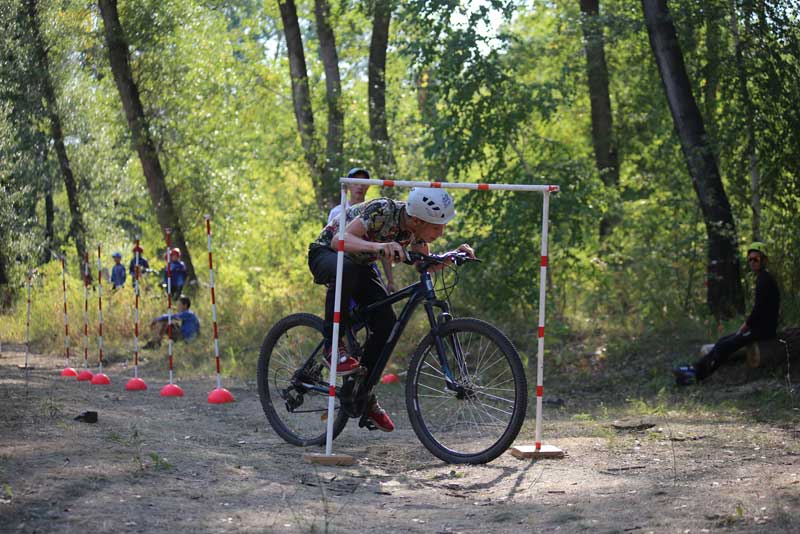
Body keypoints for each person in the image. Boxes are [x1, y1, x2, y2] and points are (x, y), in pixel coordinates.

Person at [308, 187, 475, 432]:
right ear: (417, 220)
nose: (442, 232)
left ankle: (362, 394)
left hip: (359, 267)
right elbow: (338, 240)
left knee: (386, 321)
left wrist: (451, 256)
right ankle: (332, 346)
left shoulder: (417, 234)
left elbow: (423, 265)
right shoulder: (382, 210)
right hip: (327, 253)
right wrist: (380, 247)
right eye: (437, 226)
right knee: (348, 270)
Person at [673, 242, 780, 385]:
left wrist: (746, 326)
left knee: (725, 346)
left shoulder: (765, 280)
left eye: (756, 259)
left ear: (764, 260)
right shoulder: (762, 278)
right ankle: (694, 369)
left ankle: (696, 375)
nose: (752, 262)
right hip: (759, 327)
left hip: (763, 330)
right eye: (750, 259)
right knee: (722, 342)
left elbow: (759, 309)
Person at [328, 167, 396, 293]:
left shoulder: (377, 212)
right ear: (348, 185)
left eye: (363, 183)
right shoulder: (337, 212)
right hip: (344, 266)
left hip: (367, 265)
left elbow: (382, 246)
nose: (359, 186)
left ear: (369, 186)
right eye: (355, 182)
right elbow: (330, 243)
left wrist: (390, 280)